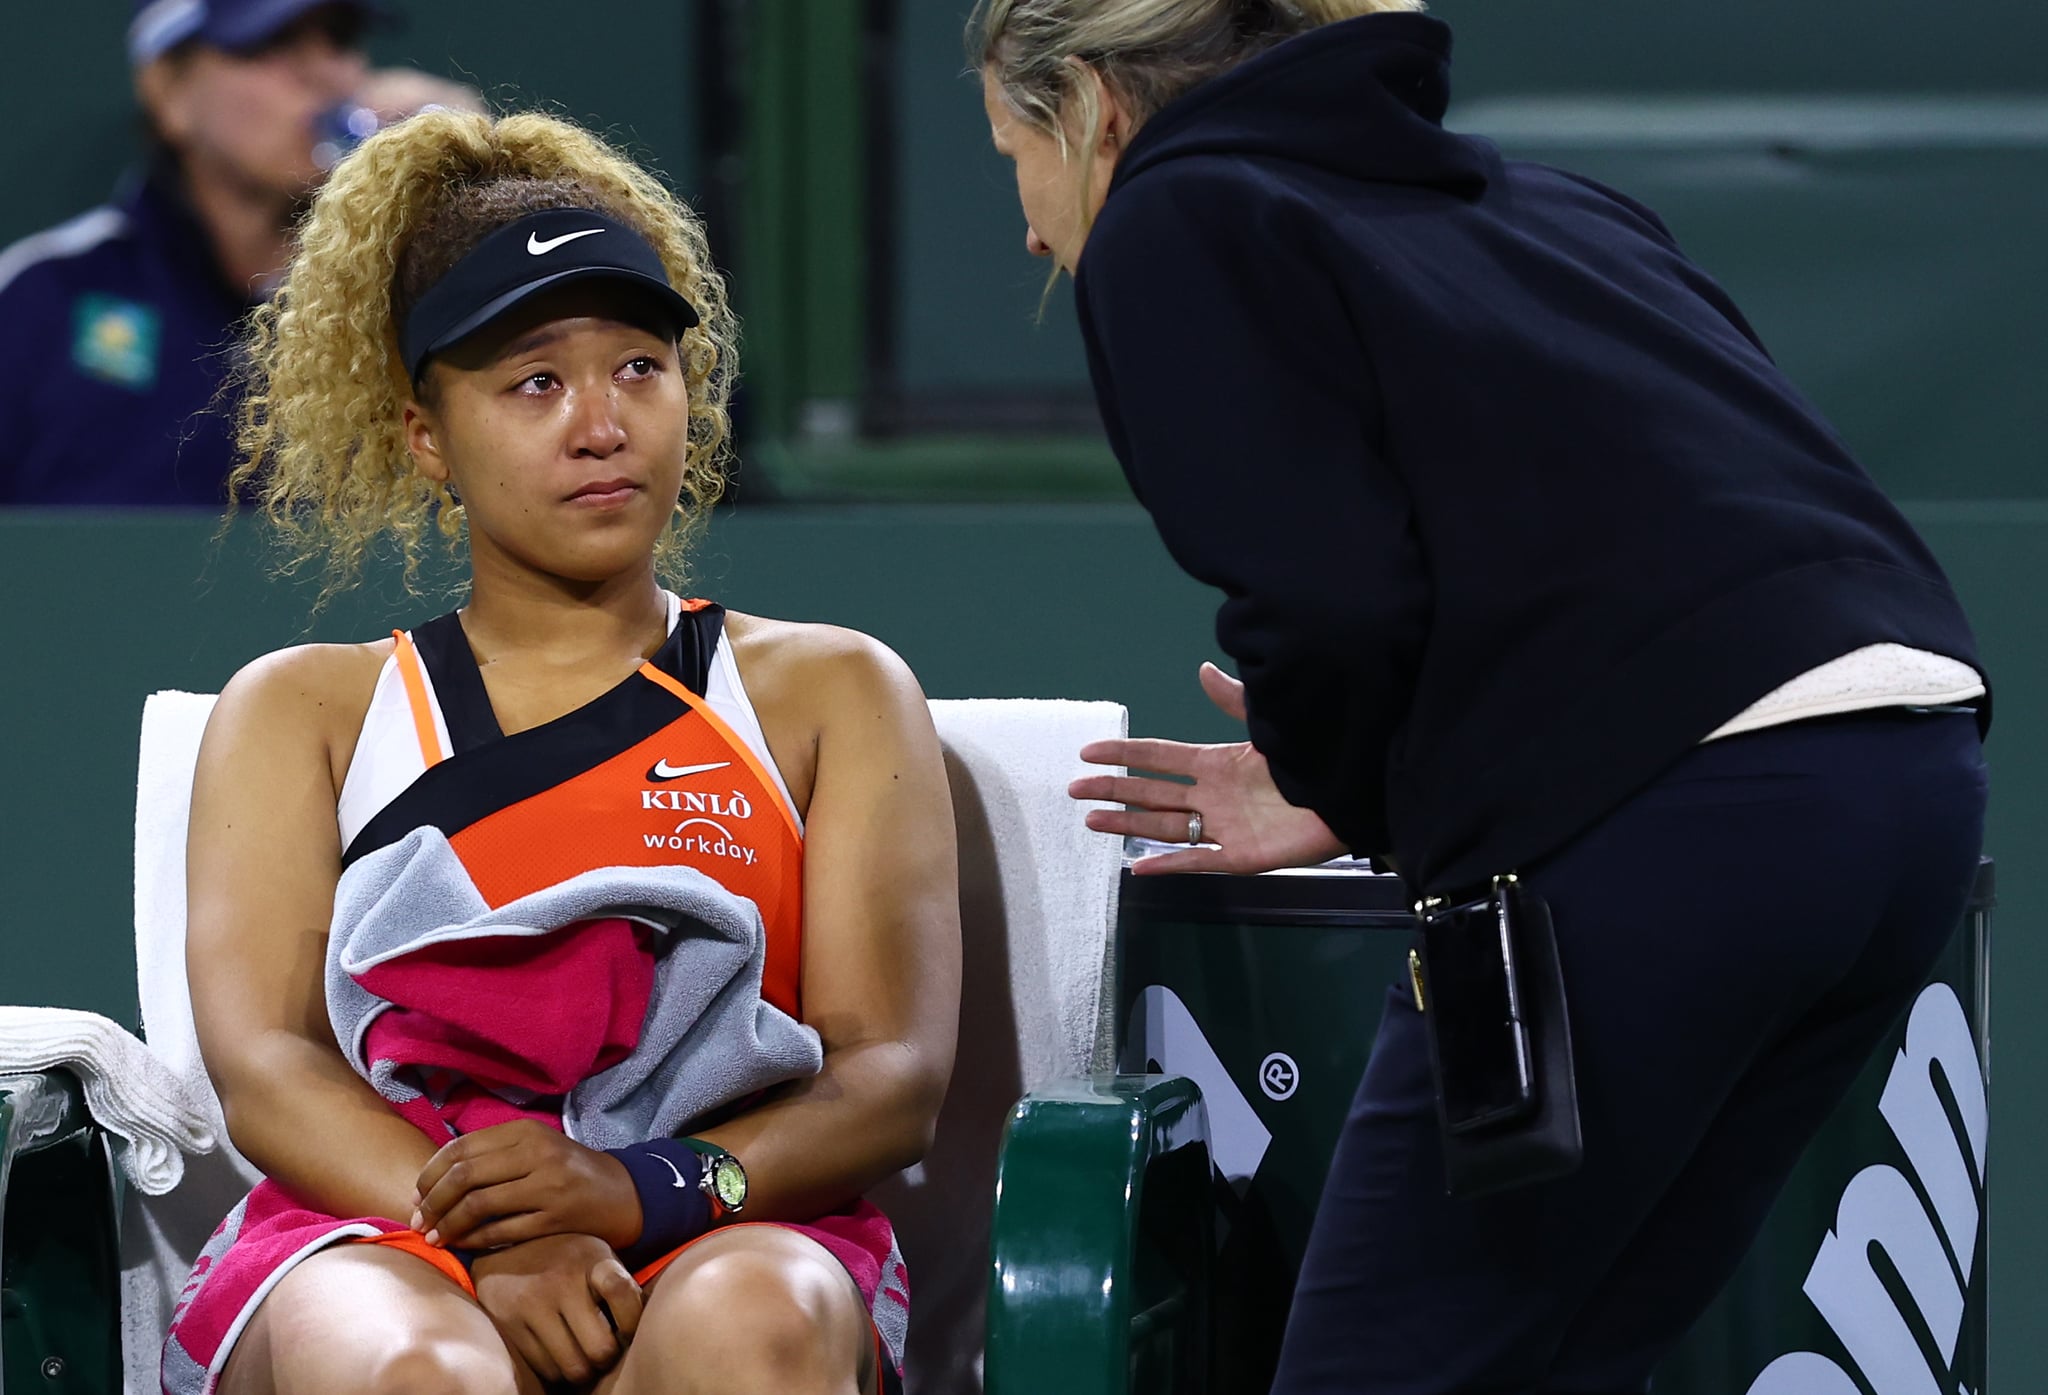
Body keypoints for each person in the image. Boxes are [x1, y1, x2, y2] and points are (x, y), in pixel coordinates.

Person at [972, 1, 1990, 1391]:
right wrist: (1371, 777)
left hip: (1687, 815)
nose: (1030, 230)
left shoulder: (1177, 214)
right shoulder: (1558, 206)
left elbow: (1330, 596)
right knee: (1565, 1359)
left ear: (1090, 102)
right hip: (1907, 792)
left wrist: (1348, 772)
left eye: (1012, 155)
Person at [172, 108, 959, 1393]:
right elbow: (267, 1068)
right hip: (390, 1217)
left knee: (753, 1327)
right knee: (408, 1370)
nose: (601, 423)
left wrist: (630, 1193)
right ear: (428, 435)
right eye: (535, 381)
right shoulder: (300, 712)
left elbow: (889, 1078)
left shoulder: (832, 690)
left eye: (639, 366)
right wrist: (500, 1234)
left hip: (719, 1209)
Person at [0, 0, 476, 506]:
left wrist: (473, 199)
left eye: (338, 40)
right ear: (168, 91)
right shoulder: (39, 300)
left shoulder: (419, 292)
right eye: (270, 44)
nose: (327, 76)